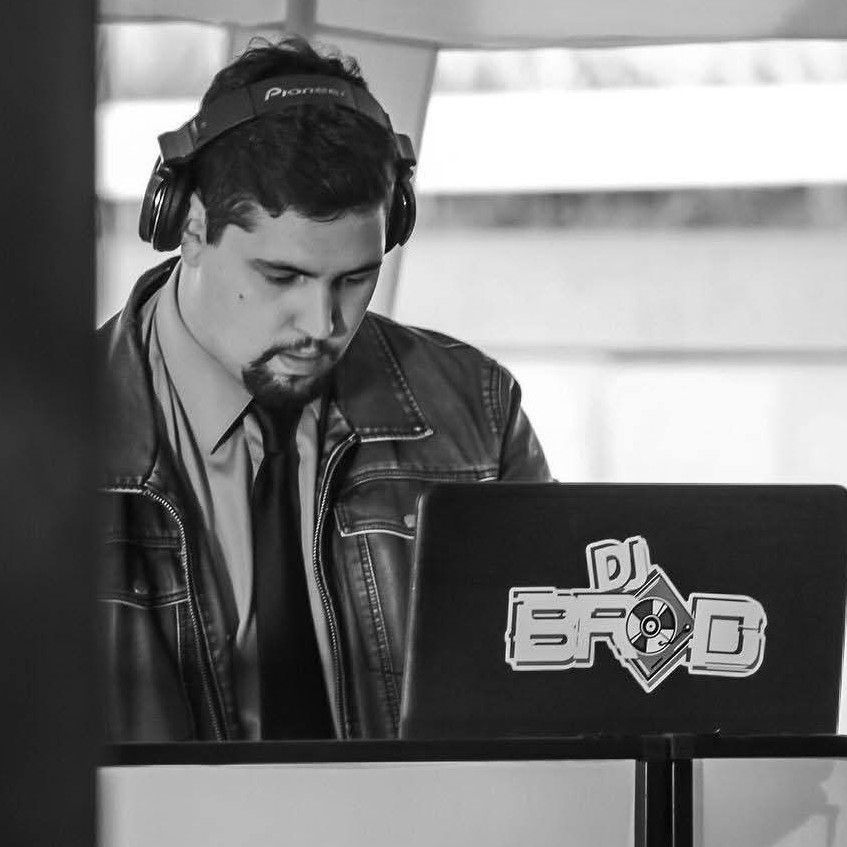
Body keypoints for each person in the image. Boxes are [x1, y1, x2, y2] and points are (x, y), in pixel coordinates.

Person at [99, 36, 550, 742]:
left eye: (355, 279)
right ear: (191, 228)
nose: (322, 324)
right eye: (282, 277)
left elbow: (545, 704)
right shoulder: (41, 445)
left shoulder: (478, 414)